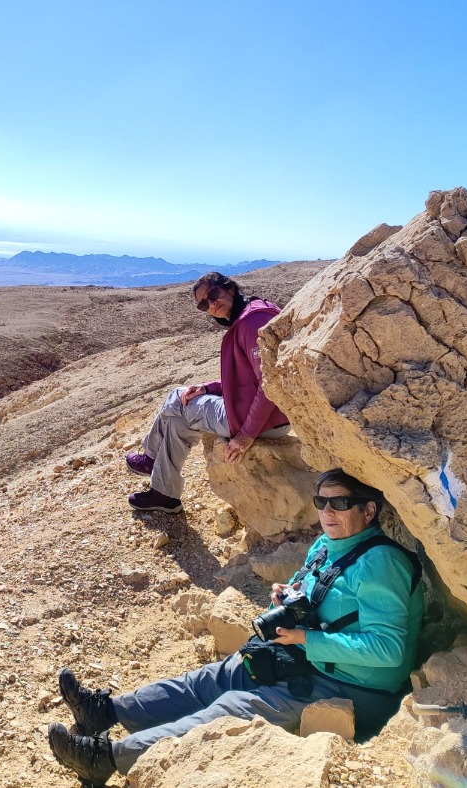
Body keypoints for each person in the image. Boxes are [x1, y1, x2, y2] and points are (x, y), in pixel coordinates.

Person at [47, 469, 425, 785]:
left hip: (353, 685)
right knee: (215, 677)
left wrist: (307, 639)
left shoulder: (381, 564)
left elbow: (387, 651)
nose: (327, 511)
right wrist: (286, 595)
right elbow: (308, 588)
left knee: (235, 707)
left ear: (369, 510)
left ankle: (107, 759)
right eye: (321, 502)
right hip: (305, 655)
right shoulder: (327, 545)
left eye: (340, 503)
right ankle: (107, 713)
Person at [125, 272, 290, 514]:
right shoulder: (251, 314)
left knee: (176, 397)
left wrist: (246, 436)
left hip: (260, 422)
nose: (212, 305)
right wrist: (207, 388)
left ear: (230, 288)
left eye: (213, 295)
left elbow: (270, 383)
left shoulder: (251, 323)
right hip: (265, 416)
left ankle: (150, 458)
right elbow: (245, 382)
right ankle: (164, 495)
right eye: (204, 304)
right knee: (177, 421)